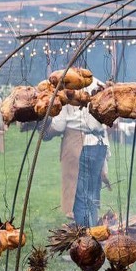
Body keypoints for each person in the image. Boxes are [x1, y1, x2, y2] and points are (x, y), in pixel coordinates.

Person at [46, 78, 109, 227]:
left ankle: (86, 242)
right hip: (99, 144)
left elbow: (59, 125)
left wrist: (45, 128)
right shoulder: (98, 83)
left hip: (78, 144)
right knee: (92, 196)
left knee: (80, 198)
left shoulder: (65, 86)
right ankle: (92, 235)